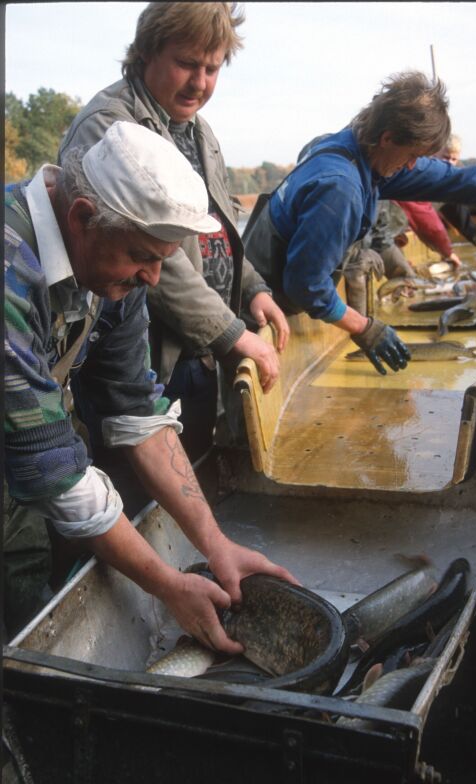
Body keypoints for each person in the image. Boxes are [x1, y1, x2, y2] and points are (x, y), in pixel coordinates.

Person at [4, 120, 296, 645]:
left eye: (162, 260)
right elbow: (47, 466)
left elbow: (136, 411)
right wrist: (168, 584)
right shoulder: (10, 266)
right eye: (143, 257)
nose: (153, 278)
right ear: (83, 217)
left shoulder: (114, 265)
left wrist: (215, 544)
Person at [59, 2, 289, 461]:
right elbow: (151, 257)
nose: (200, 83)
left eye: (212, 68)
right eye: (186, 63)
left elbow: (217, 229)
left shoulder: (201, 134)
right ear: (146, 52)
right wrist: (230, 334)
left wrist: (253, 290)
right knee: (139, 482)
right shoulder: (108, 127)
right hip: (142, 358)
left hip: (197, 353)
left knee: (196, 464)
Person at [244, 72, 476, 376]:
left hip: (281, 296)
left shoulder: (358, 147)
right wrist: (364, 327)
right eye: (411, 156)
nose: (412, 165)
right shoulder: (340, 188)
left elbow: (453, 179)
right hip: (258, 311)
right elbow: (306, 284)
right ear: (388, 138)